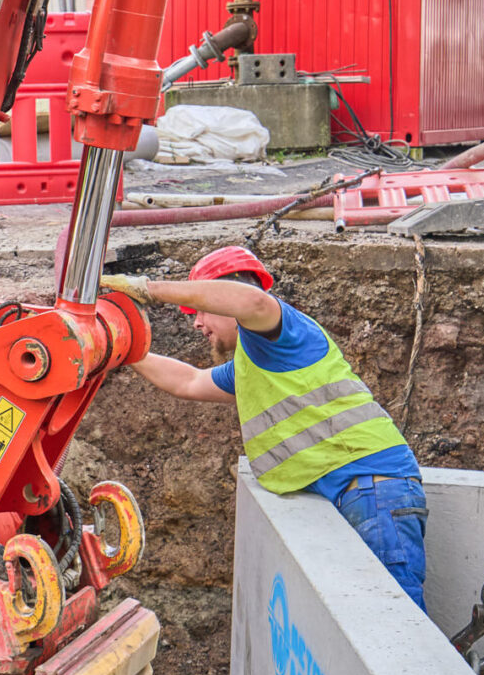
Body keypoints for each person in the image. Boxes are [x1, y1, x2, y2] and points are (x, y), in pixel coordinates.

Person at [100, 246, 428, 611]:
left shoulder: (279, 332)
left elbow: (253, 303)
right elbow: (189, 382)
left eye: (201, 310)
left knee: (395, 623)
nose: (196, 323)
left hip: (371, 491)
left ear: (227, 300)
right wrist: (123, 348)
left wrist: (149, 289)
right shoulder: (257, 362)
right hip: (361, 491)